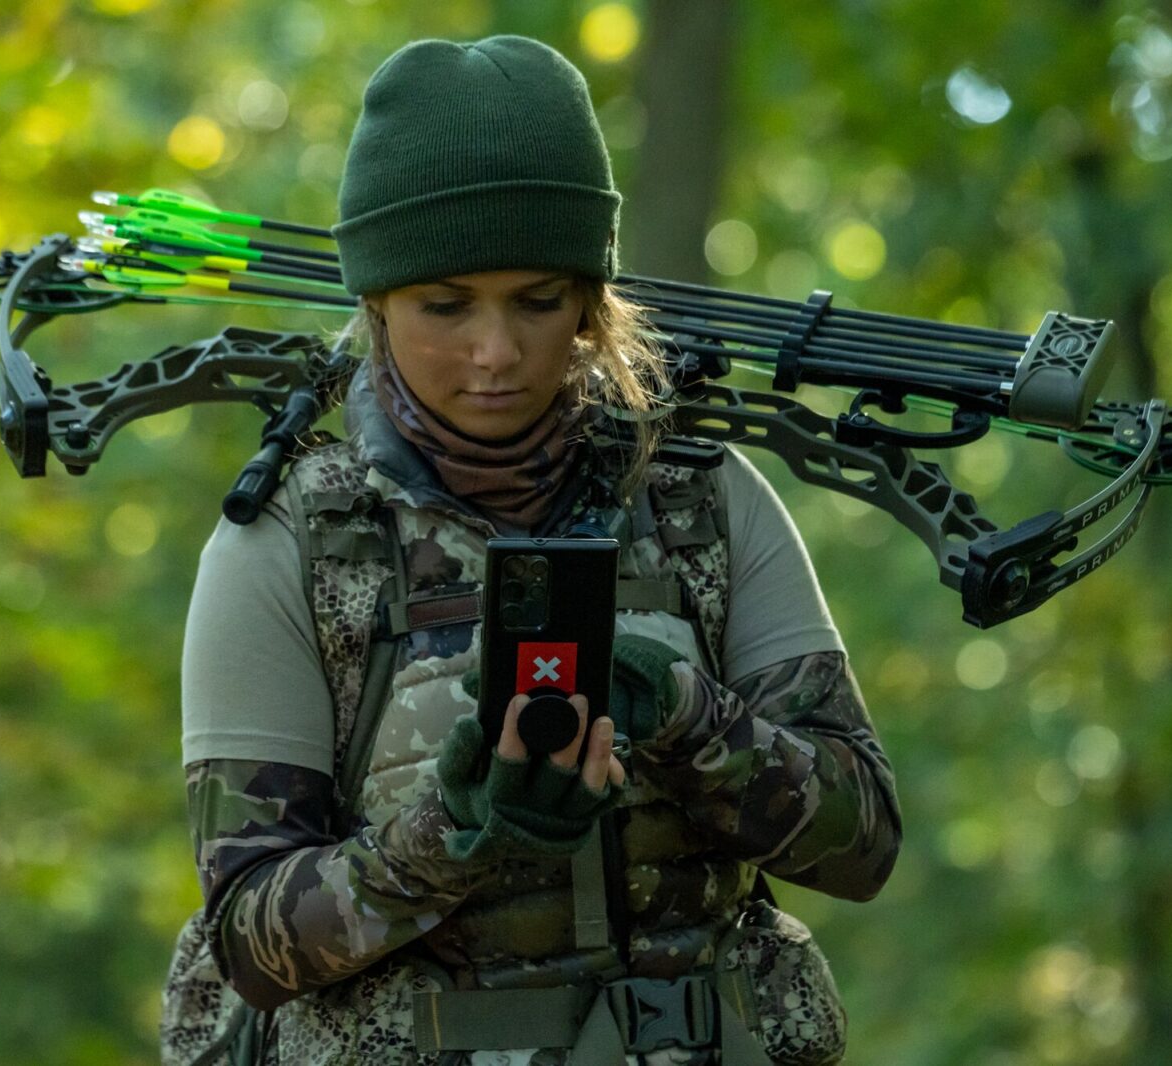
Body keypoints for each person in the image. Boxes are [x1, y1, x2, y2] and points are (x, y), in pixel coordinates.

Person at [168, 34, 901, 1066]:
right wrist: (456, 829)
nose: (495, 353)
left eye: (538, 299)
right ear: (374, 301)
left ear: (591, 299)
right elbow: (246, 936)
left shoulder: (704, 500)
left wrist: (689, 721)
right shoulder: (293, 542)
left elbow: (862, 841)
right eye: (445, 304)